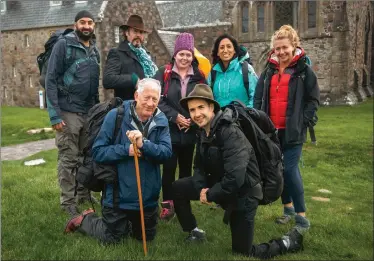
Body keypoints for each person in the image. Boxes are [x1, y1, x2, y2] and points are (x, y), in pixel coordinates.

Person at [172, 83, 304, 259]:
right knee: (178, 188)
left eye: (201, 107)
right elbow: (199, 166)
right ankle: (194, 232)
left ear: (212, 107)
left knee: (243, 252)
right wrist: (201, 188)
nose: (197, 114)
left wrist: (211, 194)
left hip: (245, 192)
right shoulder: (203, 131)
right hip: (223, 183)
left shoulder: (229, 131)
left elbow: (235, 177)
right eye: (192, 110)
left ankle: (288, 242)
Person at [63, 78, 172, 245]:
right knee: (112, 238)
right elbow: (98, 152)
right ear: (136, 95)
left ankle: (128, 223)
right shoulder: (116, 116)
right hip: (117, 196)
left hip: (147, 198)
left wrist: (144, 144)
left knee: (145, 238)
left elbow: (166, 153)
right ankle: (84, 220)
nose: (150, 103)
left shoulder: (161, 120)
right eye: (146, 97)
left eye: (155, 99)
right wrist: (126, 150)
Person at [254, 25, 320, 234]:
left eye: (285, 48)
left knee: (290, 170)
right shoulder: (268, 71)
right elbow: (258, 97)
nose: (281, 52)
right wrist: (258, 118)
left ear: (294, 46)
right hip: (272, 131)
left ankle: (302, 217)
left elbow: (313, 99)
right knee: (278, 170)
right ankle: (288, 208)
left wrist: (303, 121)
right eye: (277, 48)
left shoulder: (304, 71)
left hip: (293, 131)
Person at [45, 10, 101, 216]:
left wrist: (96, 113)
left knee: (86, 157)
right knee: (68, 158)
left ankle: (83, 194)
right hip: (67, 110)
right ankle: (67, 201)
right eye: (82, 22)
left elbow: (95, 85)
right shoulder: (64, 45)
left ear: (93, 25)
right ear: (76, 24)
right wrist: (54, 115)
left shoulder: (94, 49)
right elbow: (51, 79)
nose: (87, 26)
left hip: (88, 111)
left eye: (90, 22)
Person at [153, 33, 206, 221]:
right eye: (181, 54)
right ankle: (168, 205)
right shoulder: (164, 73)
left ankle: (183, 202)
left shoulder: (199, 77)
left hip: (190, 131)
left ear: (192, 56)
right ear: (175, 54)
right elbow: (157, 100)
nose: (184, 58)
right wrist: (175, 117)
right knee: (168, 169)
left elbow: (205, 100)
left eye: (188, 54)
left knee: (185, 170)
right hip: (169, 131)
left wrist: (192, 119)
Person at [103, 15, 158, 101]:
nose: (138, 35)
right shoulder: (117, 53)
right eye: (135, 31)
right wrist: (132, 79)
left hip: (148, 106)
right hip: (127, 108)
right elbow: (108, 80)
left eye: (141, 32)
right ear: (127, 33)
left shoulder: (147, 56)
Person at [208, 34, 258, 108]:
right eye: (222, 47)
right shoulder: (213, 73)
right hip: (219, 118)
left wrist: (248, 114)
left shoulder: (246, 69)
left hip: (243, 117)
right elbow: (208, 99)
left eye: (229, 46)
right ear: (217, 52)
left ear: (234, 50)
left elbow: (255, 96)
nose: (225, 50)